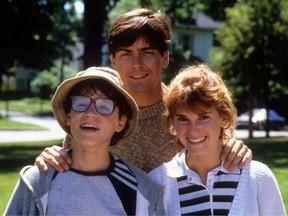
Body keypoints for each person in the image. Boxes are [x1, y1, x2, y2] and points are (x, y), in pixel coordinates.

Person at [35, 8, 252, 173]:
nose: (136, 63)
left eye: (146, 52)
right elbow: (68, 168)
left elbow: (213, 146)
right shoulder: (97, 115)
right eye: (126, 54)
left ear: (164, 57)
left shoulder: (184, 112)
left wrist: (232, 148)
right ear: (113, 60)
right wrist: (52, 158)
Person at [4, 67, 165, 215]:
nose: (90, 113)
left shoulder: (144, 192)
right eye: (81, 103)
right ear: (68, 116)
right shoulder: (37, 183)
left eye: (104, 106)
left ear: (120, 122)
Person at [149, 64, 286, 215]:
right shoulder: (157, 183)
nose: (193, 130)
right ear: (172, 122)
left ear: (224, 118)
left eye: (203, 117)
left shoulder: (258, 178)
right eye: (183, 119)